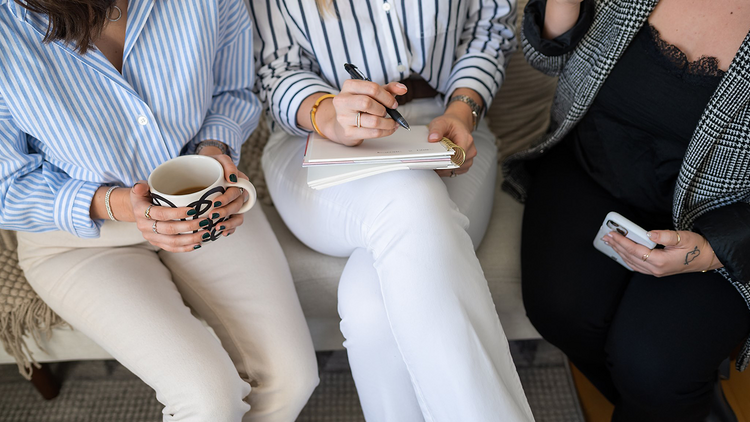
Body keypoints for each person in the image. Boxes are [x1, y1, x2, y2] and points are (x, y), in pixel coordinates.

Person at [0, 0, 318, 420]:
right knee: (207, 398)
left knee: (292, 379)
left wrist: (214, 152)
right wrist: (116, 205)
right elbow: (7, 184)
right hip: (78, 238)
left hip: (200, 202)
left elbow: (232, 90)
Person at [251, 1, 535, 421]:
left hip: (445, 124)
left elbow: (489, 29)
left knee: (371, 304)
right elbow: (275, 67)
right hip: (312, 139)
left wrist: (463, 107)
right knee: (412, 195)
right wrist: (325, 112)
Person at [503, 0, 750, 420]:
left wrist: (711, 250)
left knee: (656, 367)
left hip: (724, 218)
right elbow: (547, 58)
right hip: (595, 164)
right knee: (561, 312)